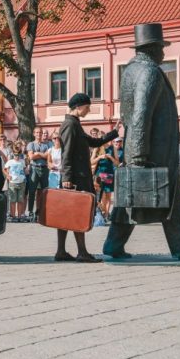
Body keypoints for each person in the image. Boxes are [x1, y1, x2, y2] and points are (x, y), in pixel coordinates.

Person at [103, 23, 180, 261]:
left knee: (129, 200)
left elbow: (127, 114)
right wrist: (141, 156)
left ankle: (113, 244)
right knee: (167, 200)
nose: (164, 53)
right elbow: (141, 113)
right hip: (155, 152)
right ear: (153, 48)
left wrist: (134, 152)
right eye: (161, 47)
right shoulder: (149, 71)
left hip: (138, 148)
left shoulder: (131, 70)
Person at [57, 93, 117, 263]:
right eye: (87, 106)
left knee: (66, 215)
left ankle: (61, 251)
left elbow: (94, 142)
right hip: (75, 177)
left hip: (76, 176)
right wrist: (67, 176)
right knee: (77, 213)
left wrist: (113, 132)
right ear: (78, 106)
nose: (89, 110)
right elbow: (66, 153)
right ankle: (81, 252)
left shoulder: (75, 124)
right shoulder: (70, 125)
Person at [91, 138, 119, 220]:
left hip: (108, 174)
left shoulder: (112, 148)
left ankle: (106, 215)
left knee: (108, 196)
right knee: (101, 196)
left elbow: (117, 163)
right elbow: (91, 162)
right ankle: (103, 212)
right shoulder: (97, 148)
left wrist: (111, 158)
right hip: (99, 175)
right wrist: (99, 157)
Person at [26, 127, 51, 218]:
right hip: (34, 169)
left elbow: (48, 157)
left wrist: (38, 154)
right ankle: (30, 211)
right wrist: (42, 155)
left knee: (44, 191)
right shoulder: (31, 144)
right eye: (37, 132)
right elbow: (31, 157)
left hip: (44, 169)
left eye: (40, 132)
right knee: (32, 191)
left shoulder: (47, 145)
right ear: (34, 134)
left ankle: (41, 211)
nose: (39, 134)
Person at [4, 147, 27, 222]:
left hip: (21, 182)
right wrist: (7, 175)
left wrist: (24, 176)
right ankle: (13, 216)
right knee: (13, 200)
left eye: (18, 155)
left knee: (20, 200)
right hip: (13, 183)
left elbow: (24, 169)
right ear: (13, 154)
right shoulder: (10, 162)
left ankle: (19, 216)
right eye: (15, 155)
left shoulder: (22, 161)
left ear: (20, 154)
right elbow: (4, 169)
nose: (16, 156)